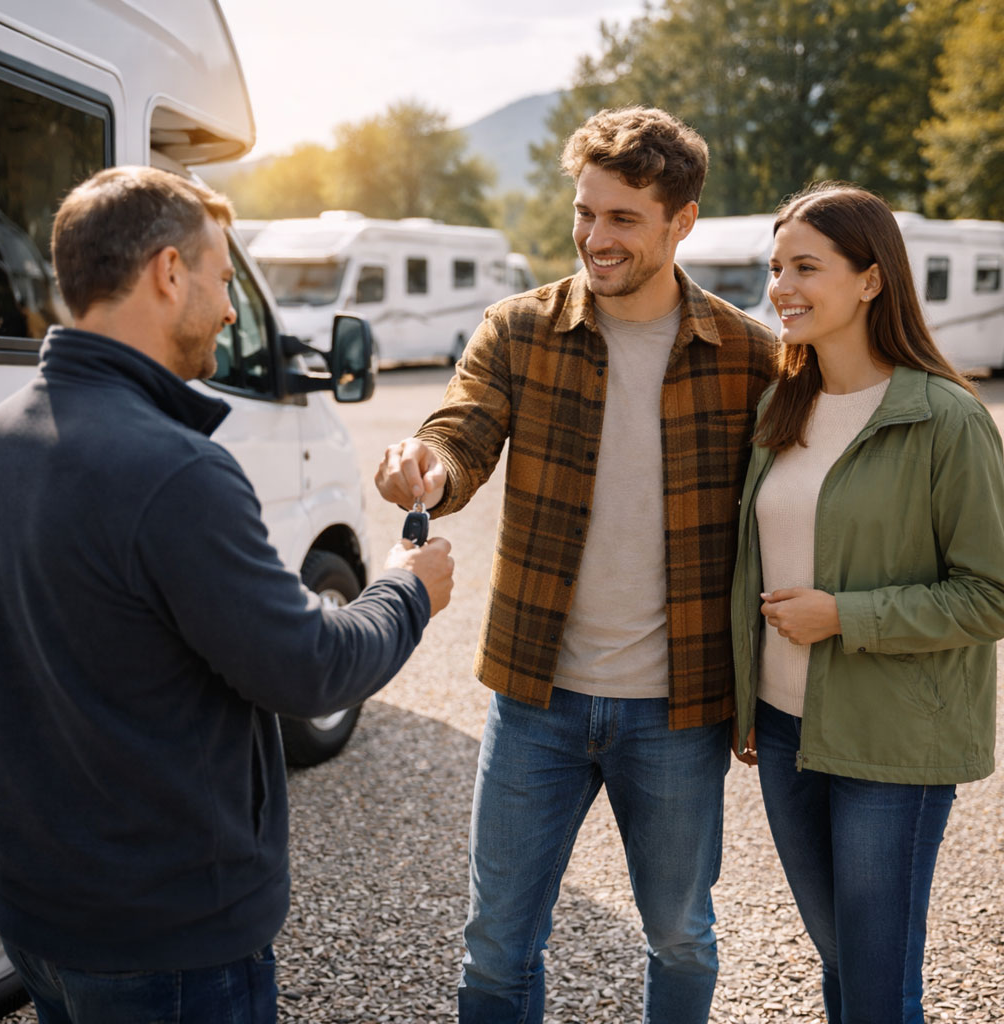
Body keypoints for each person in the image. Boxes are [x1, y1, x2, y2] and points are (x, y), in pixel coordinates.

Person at [0, 165, 454, 1024]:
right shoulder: (177, 471)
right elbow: (310, 670)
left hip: (33, 911)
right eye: (225, 279)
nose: (233, 309)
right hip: (165, 936)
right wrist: (407, 590)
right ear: (169, 273)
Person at [375, 106, 776, 1023]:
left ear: (683, 222)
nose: (596, 237)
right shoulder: (518, 330)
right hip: (535, 698)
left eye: (623, 218)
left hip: (677, 708)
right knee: (496, 946)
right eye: (585, 213)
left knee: (681, 935)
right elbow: (461, 429)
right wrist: (428, 466)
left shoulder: (748, 355)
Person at [731, 182, 1004, 1024]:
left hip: (893, 744)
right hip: (783, 730)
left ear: (871, 280)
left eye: (806, 266)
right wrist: (742, 695)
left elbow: (990, 595)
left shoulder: (947, 420)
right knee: (842, 966)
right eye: (776, 267)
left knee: (879, 989)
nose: (782, 287)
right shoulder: (782, 404)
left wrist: (846, 615)